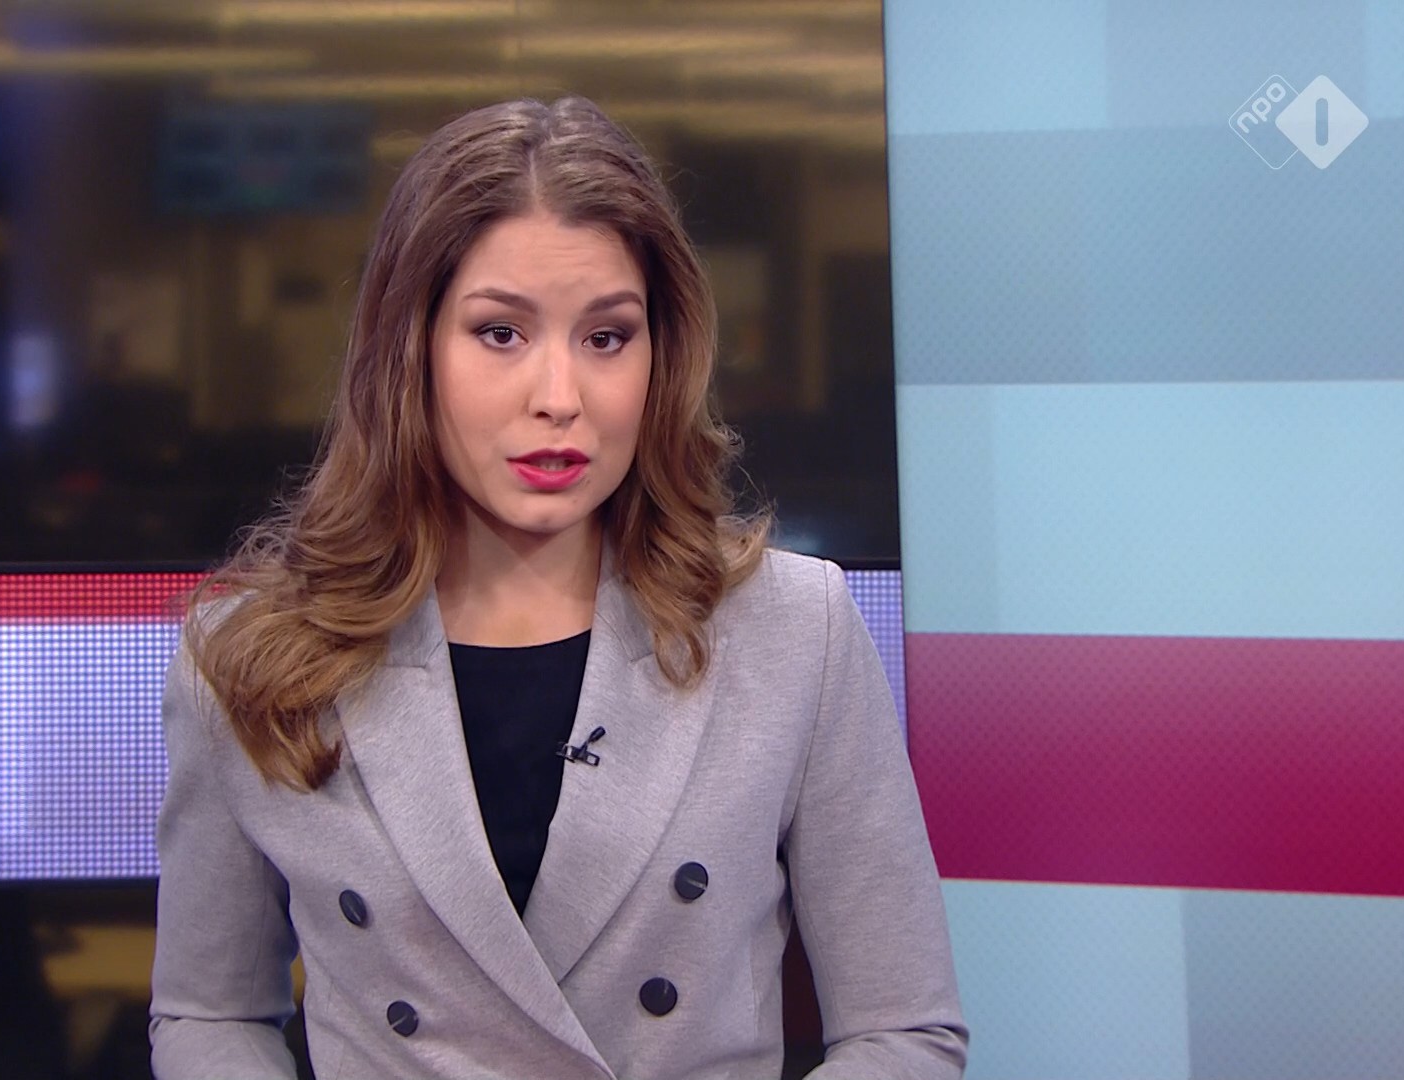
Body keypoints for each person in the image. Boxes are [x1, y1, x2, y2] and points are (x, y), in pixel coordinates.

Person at [150, 96, 967, 1080]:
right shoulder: (248, 658)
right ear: (410, 350)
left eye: (606, 338)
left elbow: (902, 1030)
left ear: (661, 355)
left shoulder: (797, 632)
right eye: (501, 334)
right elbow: (208, 1014)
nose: (560, 398)